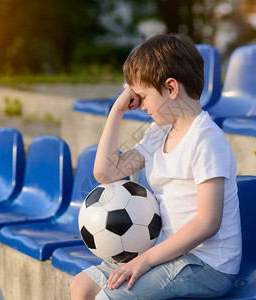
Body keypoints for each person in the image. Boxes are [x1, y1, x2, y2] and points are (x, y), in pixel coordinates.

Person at [70, 33, 242, 300]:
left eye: (143, 95)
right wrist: (116, 110)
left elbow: (208, 223)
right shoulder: (157, 134)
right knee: (82, 286)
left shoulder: (206, 140)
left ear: (171, 88)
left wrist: (146, 260)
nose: (140, 105)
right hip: (168, 253)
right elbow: (105, 173)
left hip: (207, 265)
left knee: (110, 297)